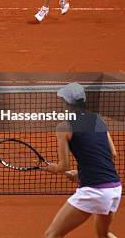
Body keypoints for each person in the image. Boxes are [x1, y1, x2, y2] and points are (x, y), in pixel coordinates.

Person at [45, 83, 121, 238]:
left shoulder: (64, 126)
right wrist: (79, 173)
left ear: (66, 103)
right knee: (104, 235)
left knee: (51, 235)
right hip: (114, 188)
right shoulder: (97, 119)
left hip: (94, 191)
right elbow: (112, 153)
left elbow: (63, 165)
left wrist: (53, 168)